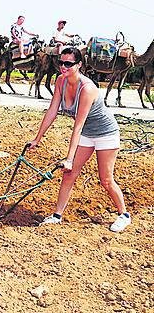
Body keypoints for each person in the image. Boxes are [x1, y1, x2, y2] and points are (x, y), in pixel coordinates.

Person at [26, 47, 131, 232]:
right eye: (61, 62)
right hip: (87, 134)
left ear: (79, 65)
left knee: (105, 179)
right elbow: (52, 111)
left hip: (106, 133)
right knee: (69, 174)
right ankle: (57, 215)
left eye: (68, 63)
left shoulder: (87, 88)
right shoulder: (61, 81)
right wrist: (37, 138)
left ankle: (124, 215)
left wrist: (69, 158)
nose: (63, 67)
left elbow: (78, 125)